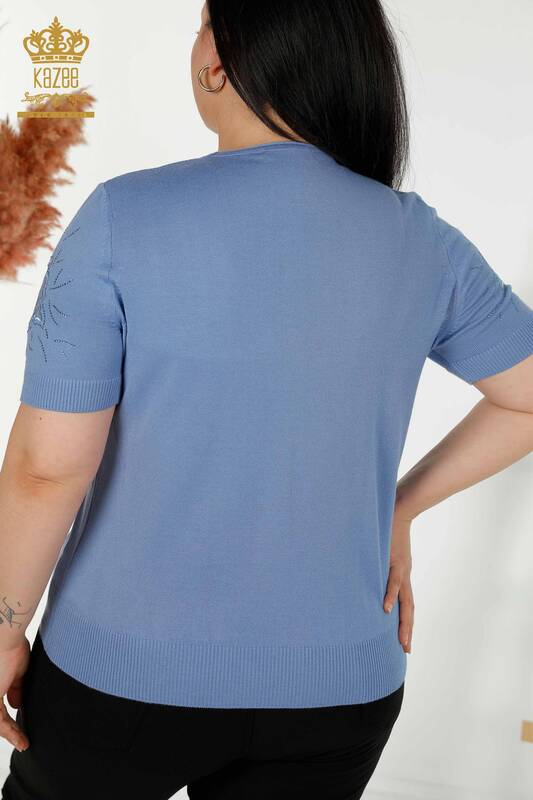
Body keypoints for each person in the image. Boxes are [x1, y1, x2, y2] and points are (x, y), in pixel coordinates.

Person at [2, 1, 533, 798]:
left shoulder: (121, 217)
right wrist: (400, 507)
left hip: (120, 680)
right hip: (340, 691)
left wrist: (4, 627)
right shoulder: (422, 240)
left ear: (218, 62)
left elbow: (47, 468)